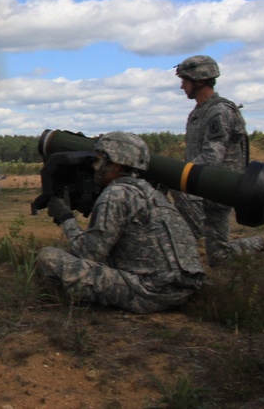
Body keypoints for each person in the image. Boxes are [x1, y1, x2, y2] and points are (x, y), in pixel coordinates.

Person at [36, 132, 205, 314]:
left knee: (49, 257)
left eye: (100, 160)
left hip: (149, 293)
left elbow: (88, 253)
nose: (94, 166)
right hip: (183, 289)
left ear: (115, 164)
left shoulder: (116, 194)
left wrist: (65, 218)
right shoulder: (152, 193)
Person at [174, 55, 264, 262]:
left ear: (199, 80)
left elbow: (212, 157)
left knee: (213, 251)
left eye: (185, 80)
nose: (182, 86)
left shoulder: (218, 112)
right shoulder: (200, 112)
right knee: (217, 254)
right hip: (200, 186)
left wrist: (178, 173)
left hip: (217, 188)